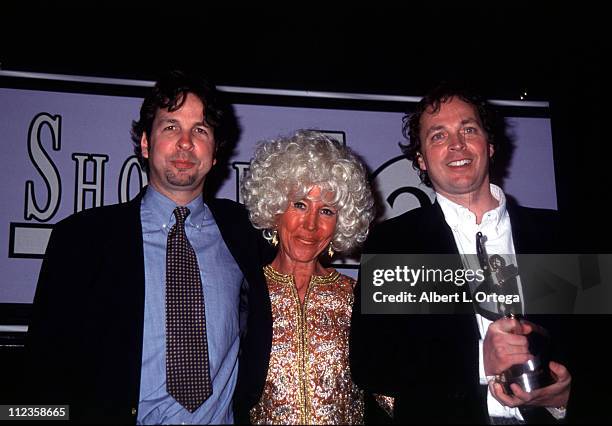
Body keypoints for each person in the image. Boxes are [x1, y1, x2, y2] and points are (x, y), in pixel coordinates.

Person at [23, 70, 271, 424]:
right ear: (144, 142)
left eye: (200, 130)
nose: (185, 142)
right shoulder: (80, 239)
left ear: (215, 152)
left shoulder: (246, 232)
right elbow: (39, 374)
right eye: (171, 126)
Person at [350, 85, 576, 424]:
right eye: (438, 136)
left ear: (490, 145)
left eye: (468, 129)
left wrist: (566, 398)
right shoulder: (396, 242)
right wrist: (479, 362)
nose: (457, 144)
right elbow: (372, 363)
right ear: (421, 160)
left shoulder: (557, 234)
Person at [239, 130, 378, 424]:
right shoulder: (243, 294)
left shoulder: (354, 296)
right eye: (300, 204)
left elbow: (392, 388)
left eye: (326, 211)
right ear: (275, 208)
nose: (311, 224)